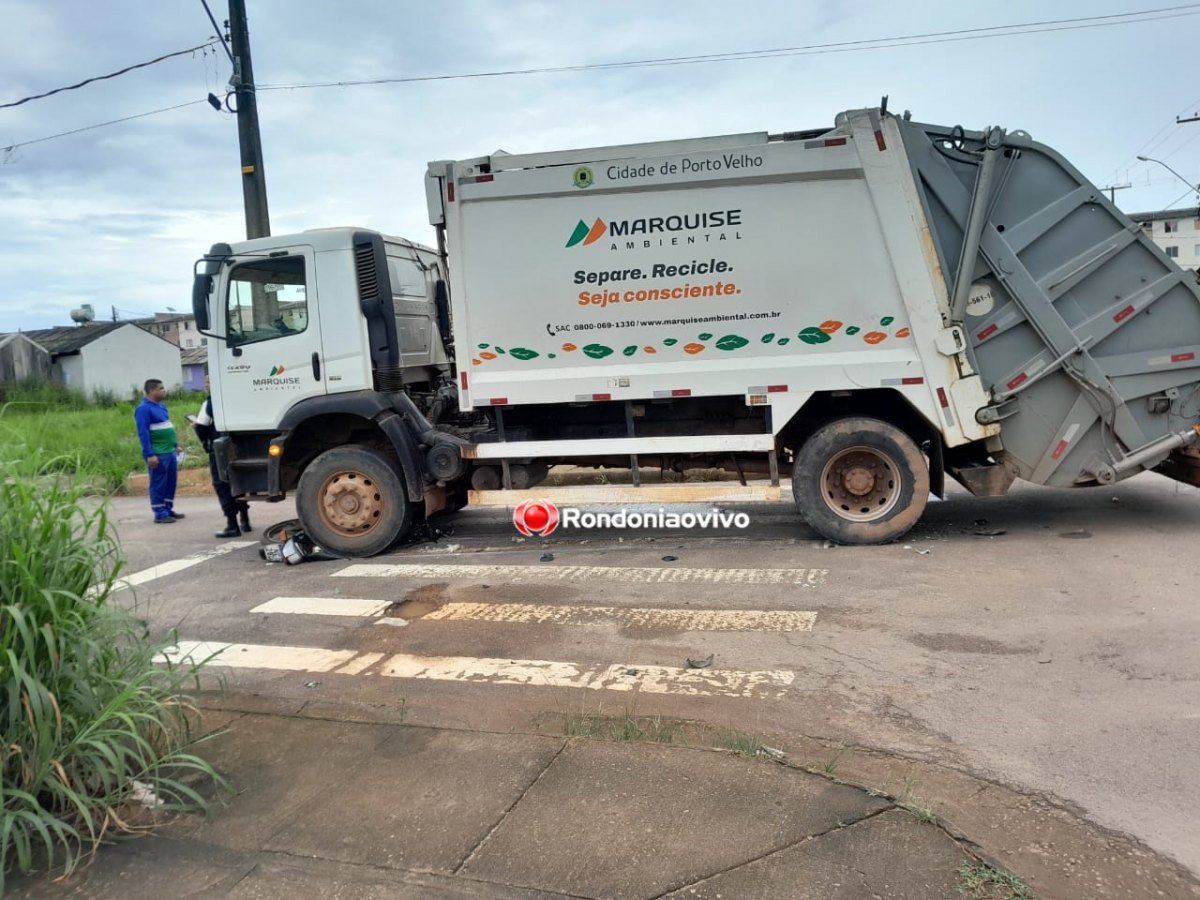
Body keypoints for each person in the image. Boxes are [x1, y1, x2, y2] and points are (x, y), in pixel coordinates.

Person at [191, 389, 251, 538]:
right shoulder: (238, 398)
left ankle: (232, 525)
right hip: (240, 446)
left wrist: (205, 442)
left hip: (219, 449)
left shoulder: (210, 403)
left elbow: (201, 427)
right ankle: (245, 520)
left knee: (222, 485)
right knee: (237, 482)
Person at [133, 378, 185, 524]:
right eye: (161, 388)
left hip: (169, 451)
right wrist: (150, 454)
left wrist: (175, 445)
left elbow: (166, 426)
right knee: (158, 483)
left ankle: (168, 508)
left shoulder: (161, 406)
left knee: (170, 482)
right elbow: (143, 433)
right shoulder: (143, 409)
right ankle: (159, 513)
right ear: (151, 391)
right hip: (158, 453)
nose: (164, 391)